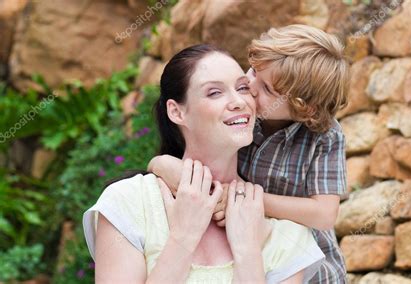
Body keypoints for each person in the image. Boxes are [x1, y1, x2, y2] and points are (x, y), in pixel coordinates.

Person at [83, 44, 324, 283]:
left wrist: (248, 251)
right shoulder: (130, 202)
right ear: (177, 112)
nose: (238, 101)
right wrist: (183, 237)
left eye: (242, 88)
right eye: (214, 93)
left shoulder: (286, 236)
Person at [148, 25, 349, 283]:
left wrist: (242, 198)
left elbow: (324, 214)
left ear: (305, 109)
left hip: (307, 267)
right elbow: (191, 149)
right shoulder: (238, 118)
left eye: (267, 90)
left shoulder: (324, 135)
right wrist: (161, 163)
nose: (250, 87)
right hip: (243, 253)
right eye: (253, 71)